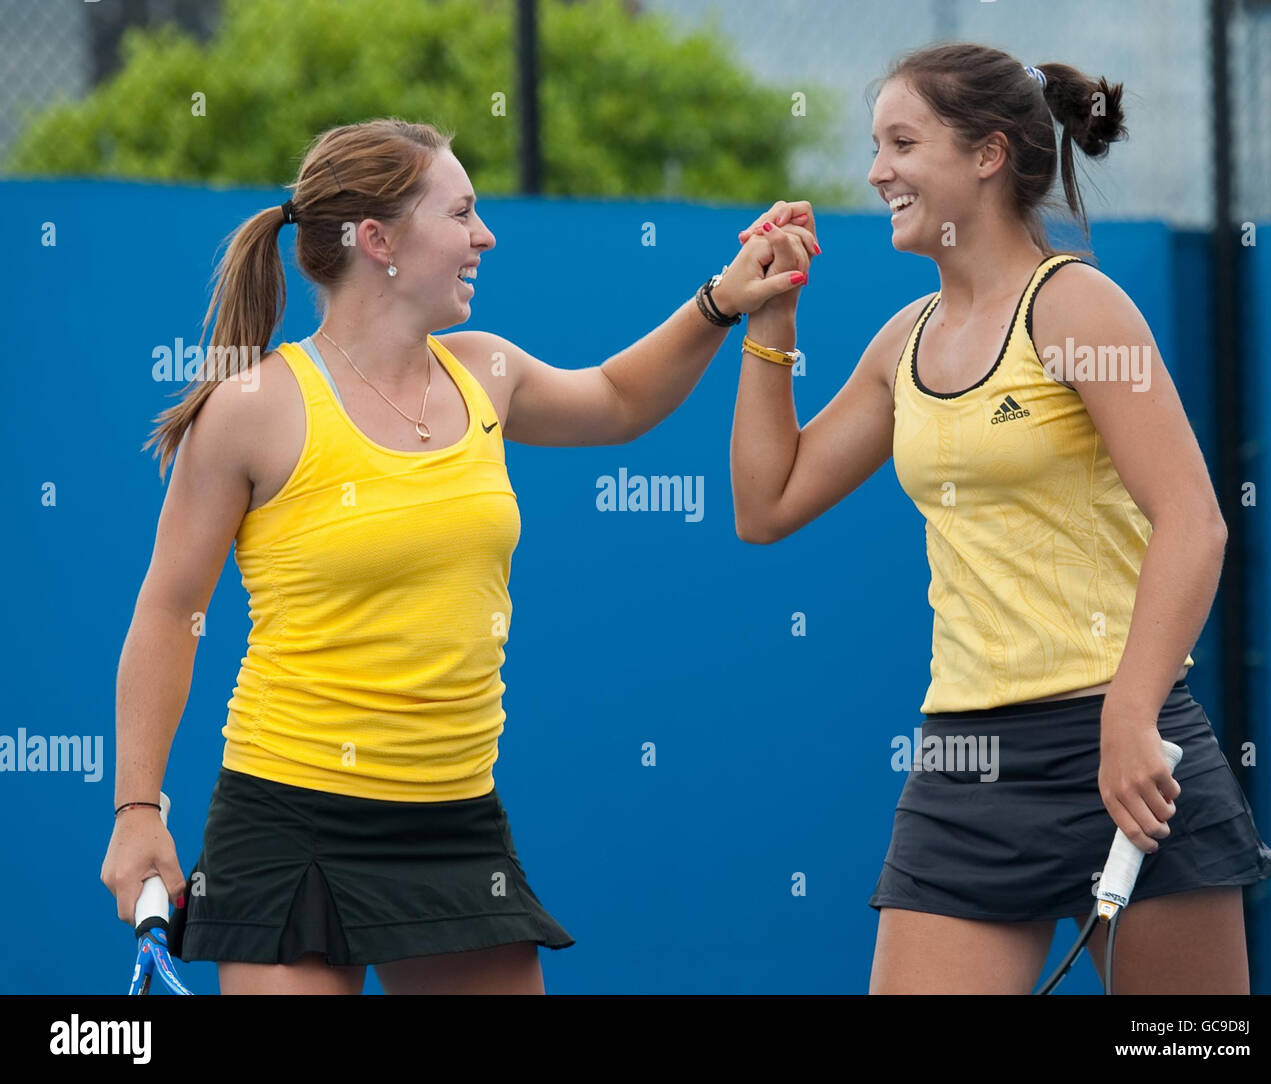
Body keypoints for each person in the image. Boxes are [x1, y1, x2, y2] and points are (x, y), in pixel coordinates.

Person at [100, 117, 815, 995]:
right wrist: (138, 811)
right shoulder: (252, 408)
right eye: (462, 213)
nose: (486, 234)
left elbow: (620, 399)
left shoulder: (488, 372)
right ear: (378, 241)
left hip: (454, 822)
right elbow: (171, 612)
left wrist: (724, 298)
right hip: (288, 822)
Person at [729, 43, 1271, 994]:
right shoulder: (902, 342)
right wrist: (770, 321)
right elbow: (766, 504)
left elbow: (1194, 520)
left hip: (1130, 748)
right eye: (875, 147)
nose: (875, 172)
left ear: (987, 155)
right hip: (965, 768)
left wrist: (1130, 712)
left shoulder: (1078, 309)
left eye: (903, 143)